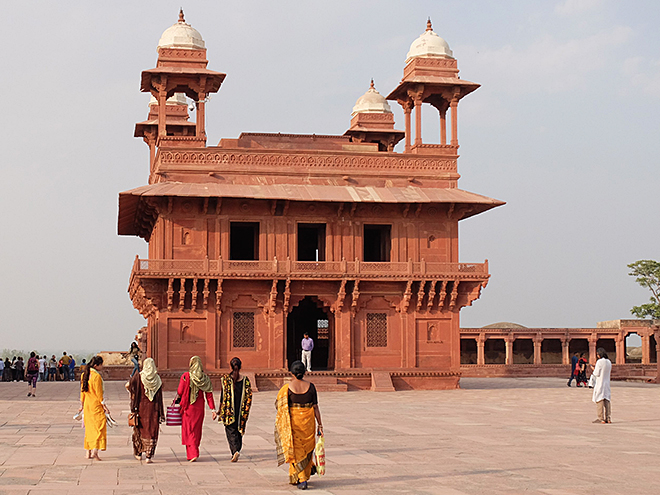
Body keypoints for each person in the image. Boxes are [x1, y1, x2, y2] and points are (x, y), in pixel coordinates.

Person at [275, 360, 323, 490]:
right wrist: (320, 425)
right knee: (307, 450)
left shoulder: (287, 388)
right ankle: (299, 475)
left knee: (296, 451)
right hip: (309, 424)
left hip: (294, 424)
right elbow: (315, 407)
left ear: (292, 373)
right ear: (304, 372)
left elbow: (279, 406)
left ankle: (302, 479)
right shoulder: (311, 387)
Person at [174, 356, 215, 462]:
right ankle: (192, 452)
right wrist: (213, 409)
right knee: (196, 430)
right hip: (199, 408)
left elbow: (180, 391)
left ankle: (193, 453)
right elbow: (209, 395)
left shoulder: (186, 376)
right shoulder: (205, 378)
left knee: (189, 430)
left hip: (188, 408)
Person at [215, 357, 253, 462]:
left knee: (230, 429)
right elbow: (249, 396)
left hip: (229, 410)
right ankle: (238, 449)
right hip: (241, 410)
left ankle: (234, 450)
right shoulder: (245, 380)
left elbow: (223, 397)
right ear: (240, 366)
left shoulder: (226, 379)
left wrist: (219, 410)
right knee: (238, 429)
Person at [128, 357, 164, 463]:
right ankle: (148, 456)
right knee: (151, 430)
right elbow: (159, 397)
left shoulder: (139, 377)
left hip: (141, 408)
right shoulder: (157, 379)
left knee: (139, 430)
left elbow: (131, 387)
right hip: (154, 409)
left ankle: (138, 453)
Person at [79, 356, 109, 459]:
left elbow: (82, 391)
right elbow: (99, 393)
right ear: (96, 365)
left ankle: (88, 452)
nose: (102, 366)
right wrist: (104, 406)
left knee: (89, 429)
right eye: (101, 365)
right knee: (99, 427)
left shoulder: (84, 375)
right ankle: (95, 450)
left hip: (87, 405)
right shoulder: (96, 376)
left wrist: (81, 405)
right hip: (96, 405)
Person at [591, 348, 612, 424]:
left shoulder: (600, 362)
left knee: (599, 400)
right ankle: (608, 418)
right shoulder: (609, 362)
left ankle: (601, 418)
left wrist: (593, 369)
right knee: (607, 400)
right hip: (607, 383)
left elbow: (596, 373)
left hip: (600, 383)